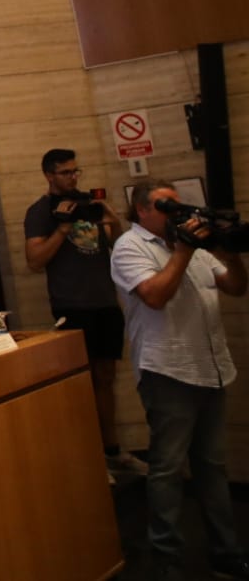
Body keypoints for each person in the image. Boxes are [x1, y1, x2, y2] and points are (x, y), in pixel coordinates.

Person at [111, 180, 249, 580]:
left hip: (210, 367)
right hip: (167, 370)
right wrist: (183, 251)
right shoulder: (130, 247)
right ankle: (167, 562)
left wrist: (226, 249)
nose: (175, 213)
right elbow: (154, 296)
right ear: (141, 210)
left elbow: (236, 286)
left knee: (212, 467)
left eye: (177, 204)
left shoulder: (194, 244)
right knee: (168, 470)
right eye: (164, 206)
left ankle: (225, 552)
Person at [24, 148, 145, 479]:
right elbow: (34, 261)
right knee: (82, 382)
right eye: (66, 172)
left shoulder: (89, 204)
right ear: (49, 175)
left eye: (76, 171)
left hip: (105, 302)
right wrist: (63, 228)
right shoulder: (41, 211)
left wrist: (112, 221)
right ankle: (91, 458)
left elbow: (120, 247)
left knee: (106, 378)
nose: (73, 178)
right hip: (72, 305)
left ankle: (112, 450)